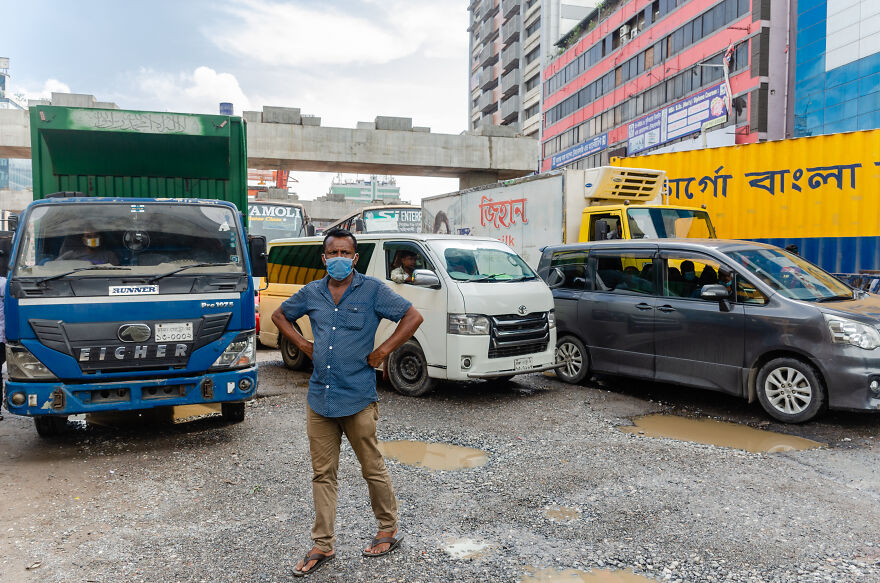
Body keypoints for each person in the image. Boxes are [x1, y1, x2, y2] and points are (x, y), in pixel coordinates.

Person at [271, 228, 423, 578]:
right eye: (332, 253)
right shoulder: (312, 292)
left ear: (354, 258)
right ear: (324, 258)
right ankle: (322, 545)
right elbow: (280, 315)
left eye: (345, 253)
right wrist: (304, 343)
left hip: (357, 398)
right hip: (319, 397)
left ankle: (388, 530)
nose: (339, 259)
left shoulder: (372, 291)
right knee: (323, 475)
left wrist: (383, 351)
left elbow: (412, 316)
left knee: (372, 468)